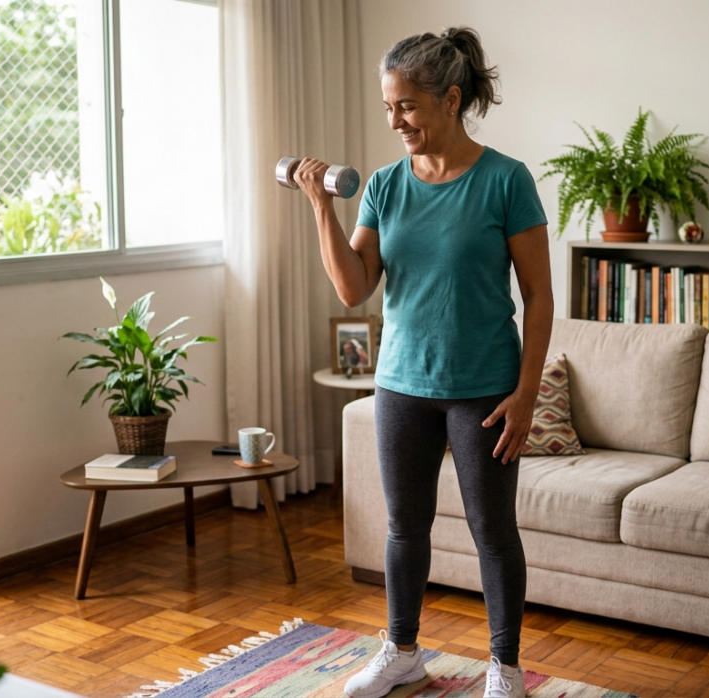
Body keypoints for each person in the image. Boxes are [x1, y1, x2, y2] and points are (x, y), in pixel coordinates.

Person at [292, 26, 552, 698]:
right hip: (402, 382)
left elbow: (541, 295)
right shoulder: (383, 186)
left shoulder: (506, 181)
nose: (395, 119)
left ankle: (505, 668)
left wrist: (527, 395)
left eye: (406, 105)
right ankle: (402, 651)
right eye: (388, 107)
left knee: (492, 530)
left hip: (484, 387)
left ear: (450, 99)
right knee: (404, 525)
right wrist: (323, 208)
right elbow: (354, 287)